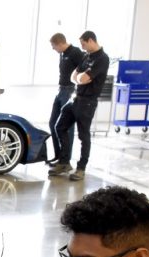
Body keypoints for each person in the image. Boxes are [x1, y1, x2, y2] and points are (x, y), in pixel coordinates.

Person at [48, 30, 109, 181]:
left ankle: (81, 168)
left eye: (83, 44)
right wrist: (79, 78)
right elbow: (75, 76)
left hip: (88, 102)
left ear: (91, 40)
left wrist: (80, 77)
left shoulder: (102, 58)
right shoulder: (87, 56)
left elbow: (84, 77)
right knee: (59, 126)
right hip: (76, 98)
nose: (82, 47)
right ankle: (64, 162)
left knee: (83, 135)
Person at [47, 33, 84, 165]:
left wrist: (78, 91)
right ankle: (58, 155)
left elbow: (85, 71)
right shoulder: (62, 54)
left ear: (60, 43)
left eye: (53, 46)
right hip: (61, 90)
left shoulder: (76, 53)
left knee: (66, 126)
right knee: (53, 123)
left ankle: (65, 160)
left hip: (70, 90)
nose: (53, 49)